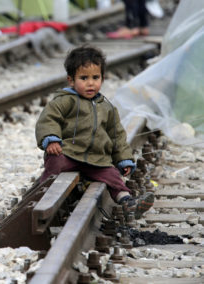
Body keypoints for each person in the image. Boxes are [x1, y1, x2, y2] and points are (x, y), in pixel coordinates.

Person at [35, 45, 153, 219]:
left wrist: (124, 159)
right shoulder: (64, 101)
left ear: (102, 78)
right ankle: (40, 195)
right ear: (71, 80)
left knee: (113, 176)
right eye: (84, 78)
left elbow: (117, 136)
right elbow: (48, 119)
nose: (90, 83)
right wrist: (51, 140)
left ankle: (127, 201)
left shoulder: (107, 108)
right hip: (69, 153)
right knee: (54, 164)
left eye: (95, 77)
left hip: (96, 159)